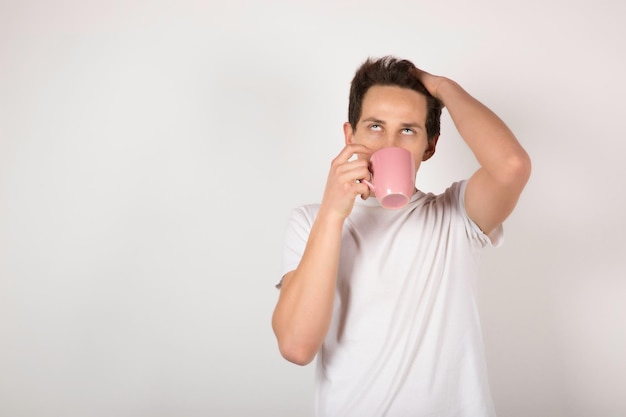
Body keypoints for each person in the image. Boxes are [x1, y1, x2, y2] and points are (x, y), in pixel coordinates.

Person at [271, 56, 531, 417]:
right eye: (375, 126)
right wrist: (333, 213)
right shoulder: (311, 222)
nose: (389, 145)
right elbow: (297, 347)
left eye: (408, 130)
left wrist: (441, 87)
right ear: (350, 136)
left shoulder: (455, 215)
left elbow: (511, 166)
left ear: (430, 146)